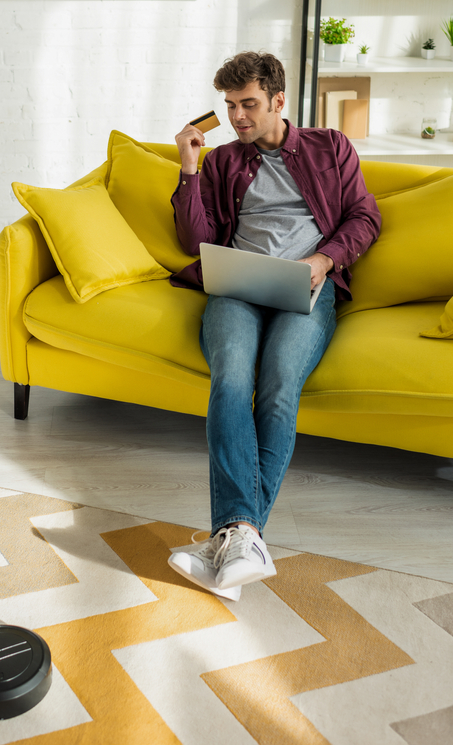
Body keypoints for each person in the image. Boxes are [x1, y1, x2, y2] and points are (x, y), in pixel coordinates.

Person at [166, 51, 381, 601]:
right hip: (237, 286)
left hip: (305, 286)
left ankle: (233, 538)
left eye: (249, 104)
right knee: (232, 380)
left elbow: (365, 217)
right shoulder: (221, 163)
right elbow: (196, 241)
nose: (238, 117)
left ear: (279, 100)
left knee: (281, 387)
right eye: (231, 105)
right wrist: (189, 167)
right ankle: (245, 539)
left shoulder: (330, 147)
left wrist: (323, 260)